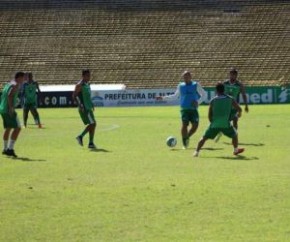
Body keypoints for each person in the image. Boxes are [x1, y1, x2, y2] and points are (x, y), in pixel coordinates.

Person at [156, 70, 206, 149]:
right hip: (184, 109)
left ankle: (187, 137)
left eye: (187, 76)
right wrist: (163, 97)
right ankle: (184, 143)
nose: (186, 78)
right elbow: (175, 96)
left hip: (193, 109)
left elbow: (204, 94)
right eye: (184, 76)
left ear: (190, 77)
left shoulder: (196, 85)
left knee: (195, 127)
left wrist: (198, 102)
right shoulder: (180, 86)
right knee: (184, 124)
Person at [193, 82, 244, 157]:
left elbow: (209, 115)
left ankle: (196, 152)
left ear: (216, 91)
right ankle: (235, 150)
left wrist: (212, 123)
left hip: (214, 124)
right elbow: (239, 109)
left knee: (204, 138)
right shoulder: (230, 99)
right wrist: (239, 114)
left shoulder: (213, 101)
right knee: (235, 134)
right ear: (224, 90)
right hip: (226, 124)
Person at [0, 72, 25, 157]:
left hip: (2, 109)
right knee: (18, 128)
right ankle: (10, 149)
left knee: (8, 128)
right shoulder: (15, 85)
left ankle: (5, 149)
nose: (23, 80)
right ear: (19, 77)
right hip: (8, 110)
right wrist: (11, 107)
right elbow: (10, 95)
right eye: (23, 78)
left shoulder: (8, 84)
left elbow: (5, 94)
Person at [73, 69, 97, 149]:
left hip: (88, 107)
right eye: (87, 76)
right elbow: (74, 96)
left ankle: (90, 143)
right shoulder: (79, 85)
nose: (89, 77)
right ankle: (81, 136)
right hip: (84, 108)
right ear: (83, 76)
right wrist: (80, 105)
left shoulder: (87, 84)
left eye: (89, 75)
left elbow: (88, 96)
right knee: (93, 124)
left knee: (93, 124)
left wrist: (91, 103)